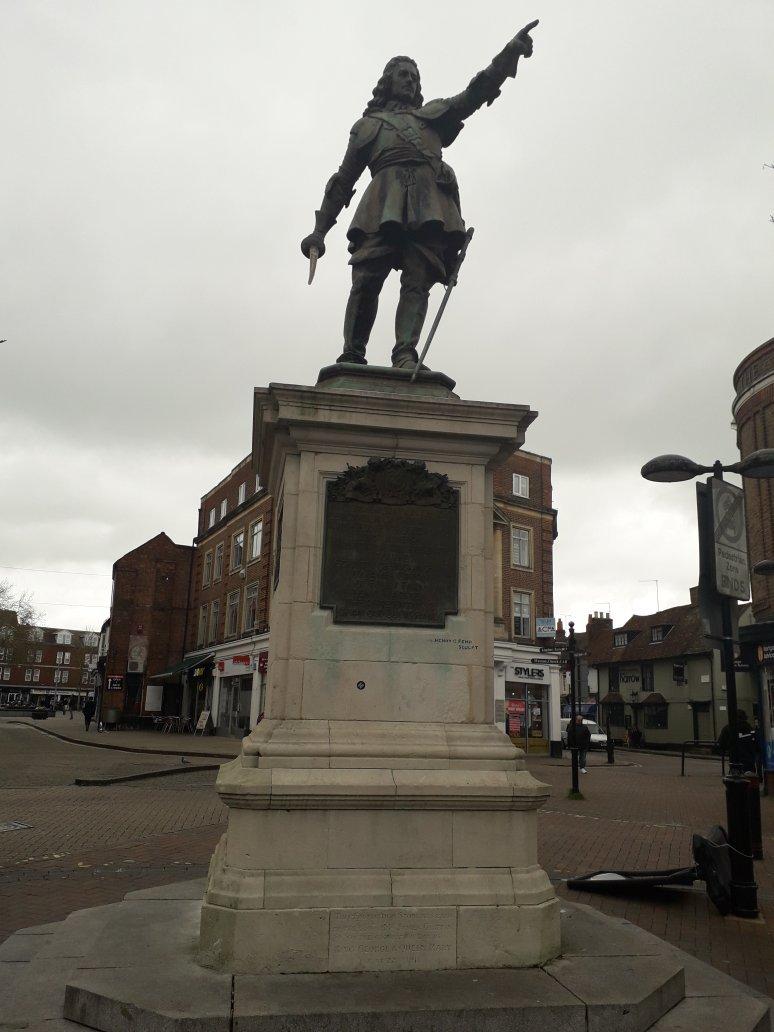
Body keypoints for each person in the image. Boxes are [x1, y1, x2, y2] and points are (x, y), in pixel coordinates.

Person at [301, 21, 539, 370]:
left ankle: (405, 353)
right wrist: (319, 231)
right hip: (383, 200)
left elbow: (473, 95)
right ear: (388, 82)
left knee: (418, 277)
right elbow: (343, 179)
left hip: (428, 202)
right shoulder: (368, 126)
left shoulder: (433, 116)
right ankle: (353, 352)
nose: (410, 80)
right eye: (403, 75)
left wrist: (506, 57)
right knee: (367, 277)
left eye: (414, 76)